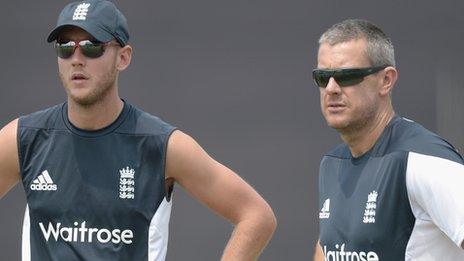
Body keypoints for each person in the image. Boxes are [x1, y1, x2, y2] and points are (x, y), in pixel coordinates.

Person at [0, 1, 276, 260]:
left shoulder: (162, 145)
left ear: (123, 57)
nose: (77, 58)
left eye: (92, 46)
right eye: (65, 47)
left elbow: (256, 216)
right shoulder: (24, 138)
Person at [312, 19, 464, 260]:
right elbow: (328, 249)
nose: (331, 88)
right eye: (323, 77)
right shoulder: (332, 162)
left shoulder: (425, 159)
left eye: (347, 76)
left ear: (386, 80)